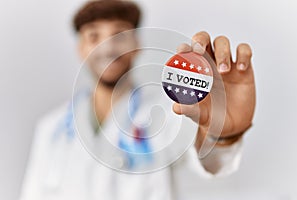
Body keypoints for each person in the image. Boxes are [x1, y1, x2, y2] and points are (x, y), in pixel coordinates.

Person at [19, 0, 256, 200]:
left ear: (136, 45)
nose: (108, 47)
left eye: (119, 35)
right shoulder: (51, 129)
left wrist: (223, 132)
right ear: (81, 48)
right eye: (94, 36)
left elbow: (208, 159)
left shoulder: (171, 112)